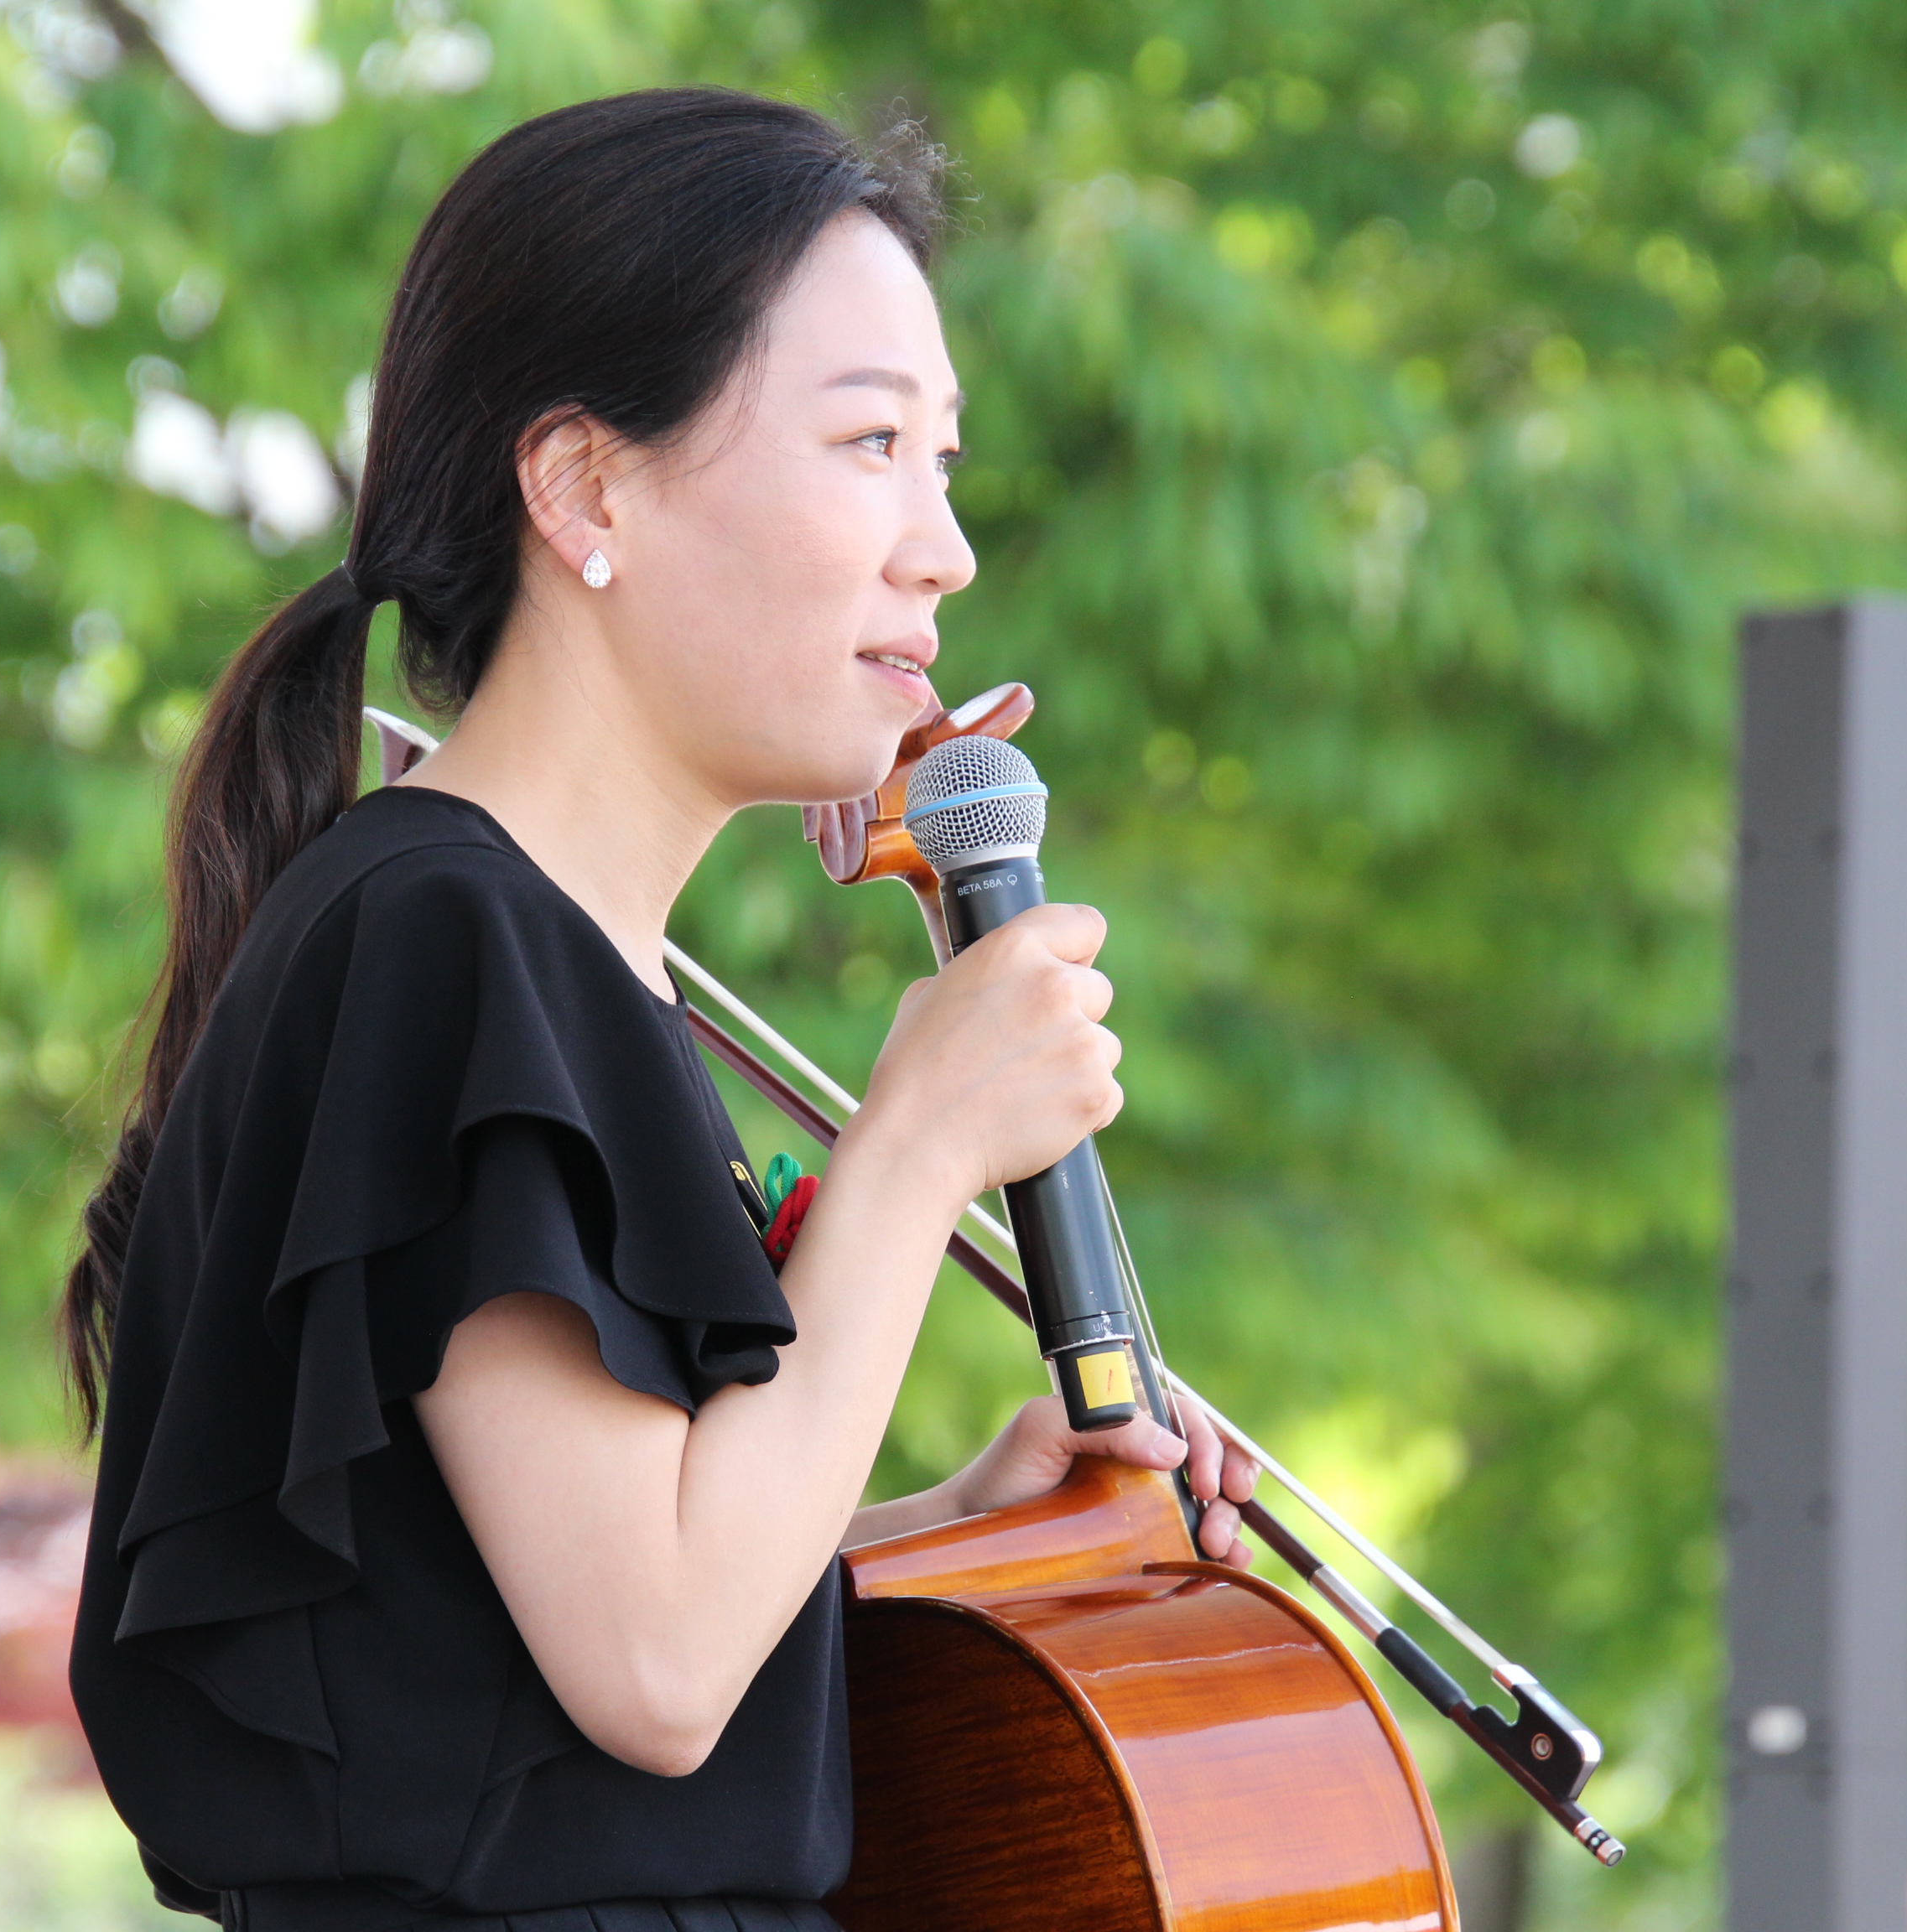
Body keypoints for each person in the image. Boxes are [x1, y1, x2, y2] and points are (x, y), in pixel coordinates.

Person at [65, 89, 1256, 1930]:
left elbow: (522, 1663)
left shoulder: (529, 946)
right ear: (585, 489)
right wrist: (914, 1149)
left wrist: (961, 1523)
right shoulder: (440, 936)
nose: (941, 546)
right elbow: (654, 1664)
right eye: (870, 443)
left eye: (944, 460)